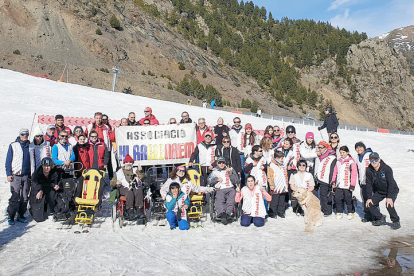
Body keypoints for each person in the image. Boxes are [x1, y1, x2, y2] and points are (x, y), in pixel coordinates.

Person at [365, 152, 400, 229]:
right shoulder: (369, 170)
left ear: (379, 159)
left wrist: (389, 197)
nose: (374, 162)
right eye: (371, 160)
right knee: (369, 204)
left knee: (389, 204)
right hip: (380, 191)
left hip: (391, 189)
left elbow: (391, 183)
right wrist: (369, 198)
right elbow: (369, 184)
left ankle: (396, 221)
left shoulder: (387, 169)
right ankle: (381, 218)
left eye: (376, 159)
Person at [5, 128, 31, 225]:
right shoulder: (13, 145)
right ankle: (11, 215)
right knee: (15, 196)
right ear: (20, 135)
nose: (25, 136)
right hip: (16, 175)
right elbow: (8, 161)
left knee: (24, 197)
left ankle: (21, 214)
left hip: (26, 175)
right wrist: (8, 174)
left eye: (26, 134)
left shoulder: (30, 146)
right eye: (23, 134)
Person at [110, 154, 146, 220]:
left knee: (139, 190)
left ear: (132, 163)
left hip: (135, 187)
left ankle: (139, 210)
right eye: (127, 162)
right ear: (124, 163)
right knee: (129, 193)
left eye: (130, 162)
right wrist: (116, 182)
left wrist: (140, 171)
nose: (128, 164)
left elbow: (141, 178)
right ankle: (130, 210)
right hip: (124, 188)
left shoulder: (135, 170)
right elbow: (112, 182)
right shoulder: (119, 172)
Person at [208, 157, 239, 225]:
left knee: (231, 198)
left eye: (223, 163)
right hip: (220, 188)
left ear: (225, 163)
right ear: (217, 164)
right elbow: (209, 181)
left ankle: (228, 213)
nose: (221, 164)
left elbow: (236, 180)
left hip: (230, 187)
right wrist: (216, 180)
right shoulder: (214, 171)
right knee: (219, 198)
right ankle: (222, 214)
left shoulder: (230, 169)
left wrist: (230, 173)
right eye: (220, 163)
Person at [331, 146, 357, 220]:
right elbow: (335, 172)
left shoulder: (351, 161)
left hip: (347, 185)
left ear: (347, 152)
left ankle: (350, 211)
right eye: (341, 153)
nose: (342, 154)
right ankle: (339, 211)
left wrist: (352, 185)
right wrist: (333, 181)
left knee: (348, 199)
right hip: (339, 184)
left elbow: (354, 174)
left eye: (344, 152)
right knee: (338, 198)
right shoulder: (338, 161)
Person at [85, 112, 114, 178]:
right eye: (97, 118)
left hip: (104, 146)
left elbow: (111, 136)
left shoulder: (106, 127)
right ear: (95, 118)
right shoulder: (90, 126)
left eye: (100, 118)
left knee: (107, 163)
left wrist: (115, 130)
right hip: (92, 146)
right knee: (94, 162)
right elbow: (85, 135)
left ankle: (110, 178)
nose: (99, 120)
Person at [314, 141, 337, 217]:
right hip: (320, 178)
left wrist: (332, 181)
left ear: (326, 148)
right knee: (322, 195)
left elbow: (333, 169)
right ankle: (325, 208)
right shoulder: (320, 156)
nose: (320, 149)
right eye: (319, 147)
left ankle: (327, 210)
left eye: (322, 147)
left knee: (325, 195)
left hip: (327, 179)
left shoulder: (331, 157)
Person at [354, 141, 373, 222]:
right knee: (364, 199)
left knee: (372, 199)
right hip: (362, 182)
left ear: (364, 148)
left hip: (371, 183)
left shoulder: (369, 155)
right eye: (357, 148)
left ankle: (375, 216)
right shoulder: (357, 158)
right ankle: (367, 215)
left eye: (360, 147)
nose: (359, 149)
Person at [267, 151, 289, 218]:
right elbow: (270, 176)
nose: (282, 160)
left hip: (283, 185)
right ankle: (272, 212)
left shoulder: (282, 165)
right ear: (276, 158)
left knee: (282, 200)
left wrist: (286, 183)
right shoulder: (271, 165)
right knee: (275, 200)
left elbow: (285, 175)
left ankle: (281, 211)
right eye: (281, 158)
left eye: (282, 158)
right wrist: (272, 185)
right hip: (276, 185)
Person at [229, 117, 246, 183]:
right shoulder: (231, 131)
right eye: (235, 122)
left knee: (242, 168)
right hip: (234, 151)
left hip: (242, 151)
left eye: (238, 122)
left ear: (240, 122)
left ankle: (243, 183)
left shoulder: (243, 131)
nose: (237, 123)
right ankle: (236, 182)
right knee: (235, 167)